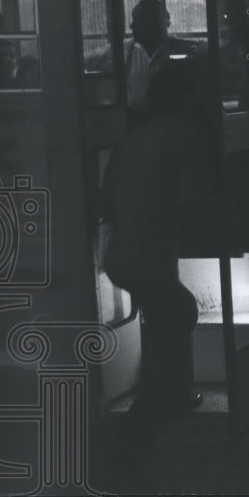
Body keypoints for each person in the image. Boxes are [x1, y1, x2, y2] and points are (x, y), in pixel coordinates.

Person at [99, 65, 207, 465]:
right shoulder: (183, 137)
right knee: (177, 314)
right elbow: (193, 201)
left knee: (171, 316)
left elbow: (107, 198)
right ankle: (138, 434)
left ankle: (168, 397)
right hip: (148, 257)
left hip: (121, 257)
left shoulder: (132, 138)